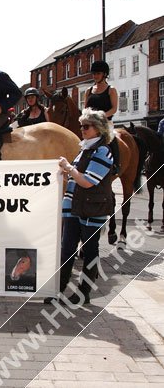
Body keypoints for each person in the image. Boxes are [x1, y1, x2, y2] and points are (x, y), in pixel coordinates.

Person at [48, 108, 114, 306]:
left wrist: (69, 168)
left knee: (90, 251)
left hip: (92, 210)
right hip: (74, 208)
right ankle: (58, 290)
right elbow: (77, 179)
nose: (82, 129)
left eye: (86, 126)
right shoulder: (84, 150)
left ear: (99, 129)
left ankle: (84, 292)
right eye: (81, 126)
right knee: (66, 250)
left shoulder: (103, 151)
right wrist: (66, 174)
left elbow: (87, 181)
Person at [84, 60, 120, 173]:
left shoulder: (111, 90)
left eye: (98, 73)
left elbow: (114, 108)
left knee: (111, 139)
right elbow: (85, 108)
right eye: (94, 74)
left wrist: (101, 116)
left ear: (104, 74)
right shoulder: (88, 91)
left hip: (105, 122)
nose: (95, 76)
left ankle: (116, 164)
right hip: (90, 124)